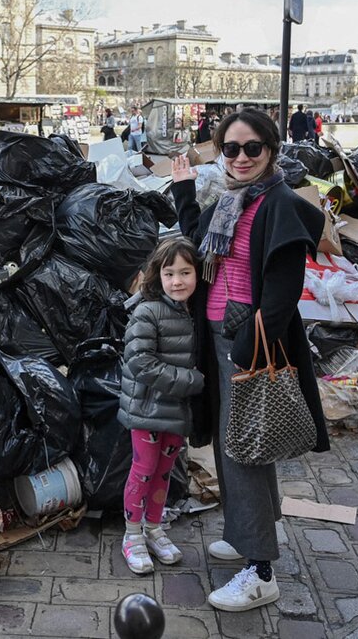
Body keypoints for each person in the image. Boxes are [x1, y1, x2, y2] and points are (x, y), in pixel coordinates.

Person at [169, 109, 329, 613]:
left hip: (245, 343)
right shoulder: (231, 201)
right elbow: (198, 247)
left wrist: (243, 351)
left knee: (244, 451)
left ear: (271, 151)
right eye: (231, 149)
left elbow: (283, 296)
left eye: (251, 148)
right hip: (219, 335)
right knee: (231, 442)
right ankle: (245, 531)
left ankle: (260, 571)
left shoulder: (277, 203)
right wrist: (184, 193)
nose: (240, 158)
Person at [118, 237, 205, 575]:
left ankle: (154, 528)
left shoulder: (194, 310)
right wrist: (193, 382)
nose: (178, 281)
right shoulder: (147, 310)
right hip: (147, 409)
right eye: (170, 274)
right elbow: (140, 362)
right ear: (158, 275)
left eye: (186, 272)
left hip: (176, 412)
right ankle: (131, 535)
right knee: (143, 470)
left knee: (165, 473)